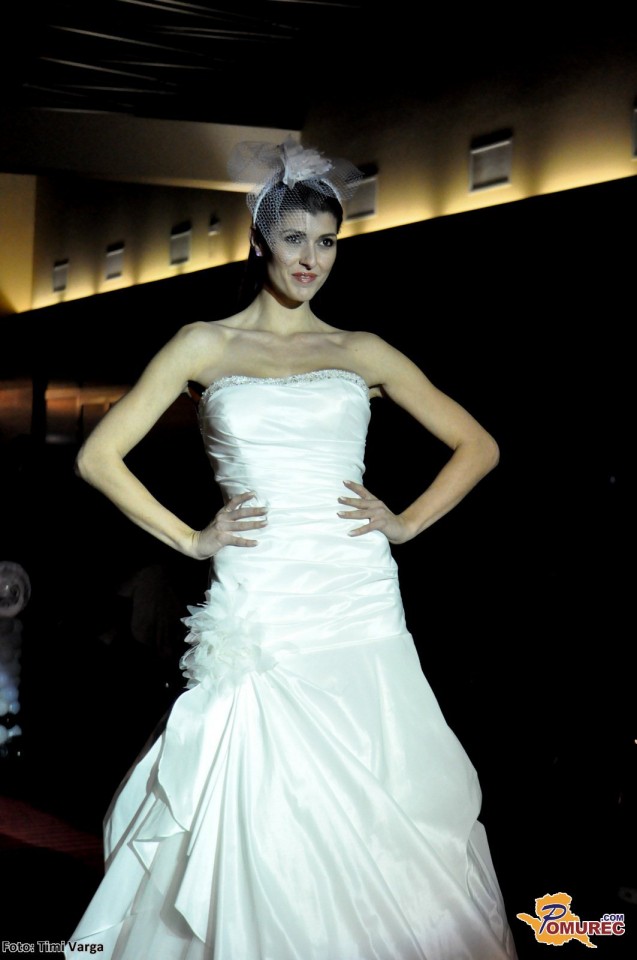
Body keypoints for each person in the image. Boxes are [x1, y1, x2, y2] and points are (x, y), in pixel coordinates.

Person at [65, 138, 518, 959]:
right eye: (294, 239)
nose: (311, 258)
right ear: (260, 242)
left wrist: (406, 522)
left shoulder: (360, 350)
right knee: (256, 780)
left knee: (380, 775)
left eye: (327, 241)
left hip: (356, 588)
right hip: (262, 589)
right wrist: (191, 538)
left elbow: (478, 445)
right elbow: (98, 458)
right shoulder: (203, 344)